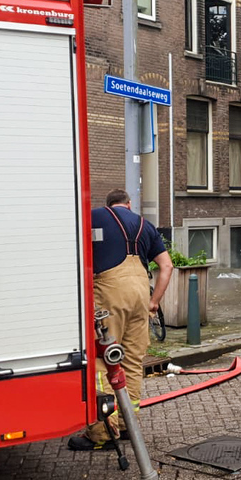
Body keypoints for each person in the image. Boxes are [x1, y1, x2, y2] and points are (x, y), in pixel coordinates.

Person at [69, 189, 173, 451]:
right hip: (140, 295)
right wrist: (154, 302)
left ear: (109, 205)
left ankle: (103, 433)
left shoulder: (95, 217)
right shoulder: (144, 225)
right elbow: (167, 266)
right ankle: (128, 425)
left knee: (101, 359)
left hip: (109, 294)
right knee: (132, 361)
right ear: (128, 204)